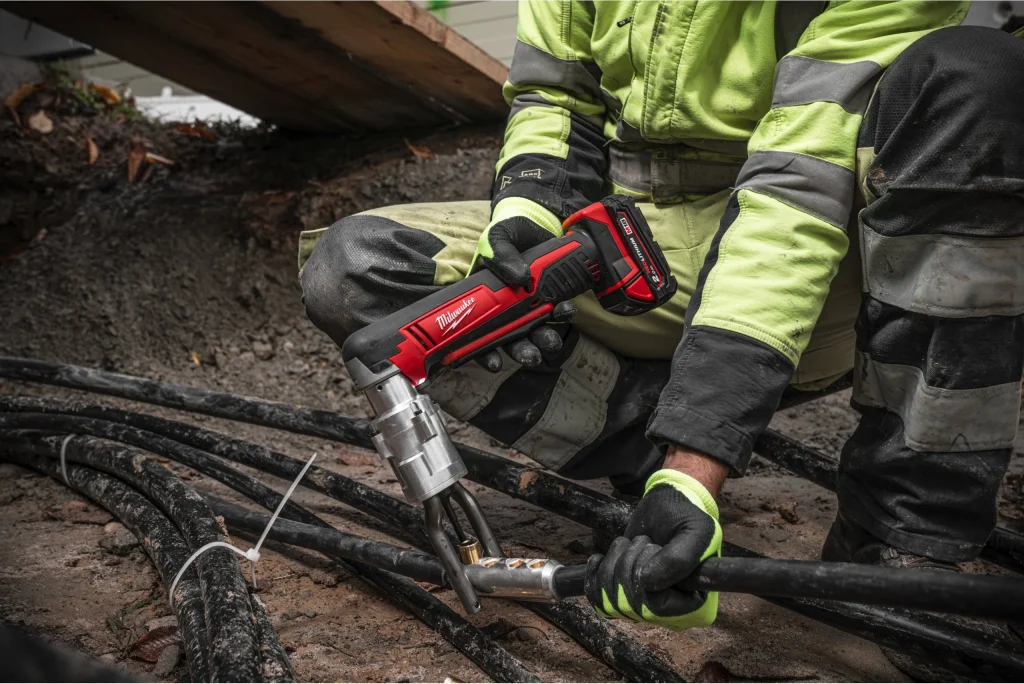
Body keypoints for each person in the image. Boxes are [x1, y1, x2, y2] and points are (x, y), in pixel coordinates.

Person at [299, 0, 1024, 635]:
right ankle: (637, 446)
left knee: (972, 78)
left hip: (830, 255)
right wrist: (527, 212)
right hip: (635, 220)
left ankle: (901, 530)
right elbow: (556, 97)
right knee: (358, 270)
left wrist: (697, 462)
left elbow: (792, 198)